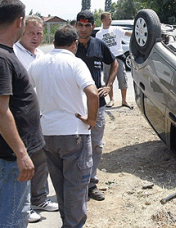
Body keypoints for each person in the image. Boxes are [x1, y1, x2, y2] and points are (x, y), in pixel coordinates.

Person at [28, 25, 99, 227]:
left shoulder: (37, 64)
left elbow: (26, 93)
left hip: (48, 134)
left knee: (59, 186)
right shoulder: (75, 63)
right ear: (74, 44)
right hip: (74, 133)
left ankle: (66, 223)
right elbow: (93, 93)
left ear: (54, 42)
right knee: (76, 188)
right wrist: (91, 120)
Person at [0, 0, 44, 227]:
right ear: (20, 22)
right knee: (11, 218)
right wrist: (21, 154)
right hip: (8, 157)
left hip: (1, 155)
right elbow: (0, 110)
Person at [13, 15, 59, 223]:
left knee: (41, 160)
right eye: (31, 33)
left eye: (39, 33)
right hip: (21, 118)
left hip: (41, 116)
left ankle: (39, 198)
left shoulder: (41, 54)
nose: (35, 37)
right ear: (22, 32)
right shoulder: (13, 53)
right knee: (23, 163)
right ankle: (23, 207)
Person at [75, 10, 118, 201]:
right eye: (80, 25)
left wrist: (108, 86)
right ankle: (76, 184)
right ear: (76, 25)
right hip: (75, 105)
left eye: (87, 26)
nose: (83, 29)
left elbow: (114, 63)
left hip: (98, 105)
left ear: (93, 27)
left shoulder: (99, 45)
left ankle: (91, 183)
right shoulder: (70, 46)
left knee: (96, 145)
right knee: (75, 146)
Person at [96, 12, 132, 108]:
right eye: (108, 19)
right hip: (107, 60)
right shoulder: (99, 34)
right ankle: (111, 100)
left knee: (122, 78)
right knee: (108, 80)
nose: (110, 20)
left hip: (118, 57)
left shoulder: (116, 29)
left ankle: (124, 100)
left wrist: (139, 34)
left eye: (111, 18)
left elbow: (128, 33)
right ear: (103, 20)